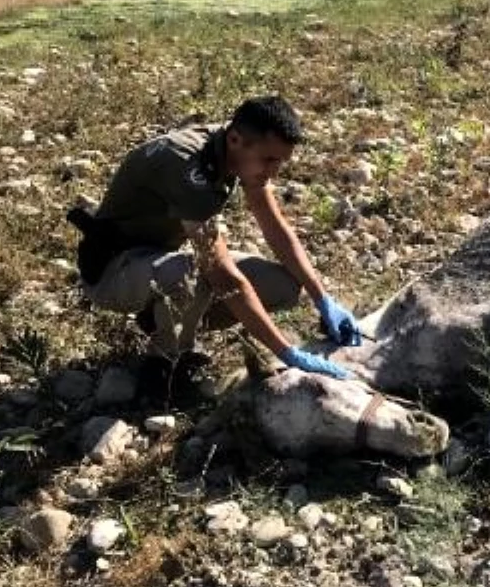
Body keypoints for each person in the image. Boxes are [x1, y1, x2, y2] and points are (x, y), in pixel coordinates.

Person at [67, 95, 356, 381]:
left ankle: (160, 321)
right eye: (268, 160)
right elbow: (222, 274)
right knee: (195, 274)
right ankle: (165, 365)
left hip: (157, 261)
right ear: (235, 140)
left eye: (280, 162)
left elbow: (274, 227)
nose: (273, 171)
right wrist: (286, 352)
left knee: (283, 285)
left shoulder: (238, 146)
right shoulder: (188, 164)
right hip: (114, 271)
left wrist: (323, 299)